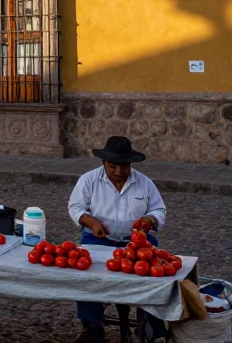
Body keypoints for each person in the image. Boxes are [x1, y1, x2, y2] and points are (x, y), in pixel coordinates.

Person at [66, 136, 167, 343]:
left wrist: (150, 220)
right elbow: (75, 207)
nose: (119, 172)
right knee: (86, 276)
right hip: (98, 240)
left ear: (131, 164)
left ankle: (151, 328)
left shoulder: (145, 183)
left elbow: (159, 209)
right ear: (104, 163)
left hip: (137, 243)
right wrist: (92, 222)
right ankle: (91, 325)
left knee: (155, 278)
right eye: (113, 166)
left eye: (124, 167)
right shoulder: (89, 180)